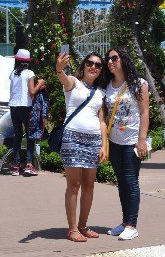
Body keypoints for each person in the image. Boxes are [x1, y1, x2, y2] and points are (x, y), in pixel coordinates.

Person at [56, 51, 107, 243]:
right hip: (73, 138)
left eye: (98, 65)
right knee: (74, 184)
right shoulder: (74, 83)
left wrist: (104, 144)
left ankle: (83, 225)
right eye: (90, 63)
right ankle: (72, 229)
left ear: (101, 70)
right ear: (84, 65)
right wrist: (59, 69)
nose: (93, 67)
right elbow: (63, 79)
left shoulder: (100, 93)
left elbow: (102, 121)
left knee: (89, 185)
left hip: (93, 140)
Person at [104, 46, 150, 241]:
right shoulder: (108, 85)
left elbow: (145, 112)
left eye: (114, 58)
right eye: (109, 59)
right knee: (121, 182)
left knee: (131, 181)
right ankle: (124, 222)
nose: (111, 62)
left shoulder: (139, 84)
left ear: (123, 59)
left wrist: (142, 140)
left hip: (132, 141)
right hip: (114, 141)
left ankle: (132, 224)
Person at [9, 49, 45, 176]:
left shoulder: (13, 73)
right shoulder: (29, 73)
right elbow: (32, 92)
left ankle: (15, 165)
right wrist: (40, 83)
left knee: (18, 136)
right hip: (26, 107)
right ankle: (29, 164)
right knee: (30, 135)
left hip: (13, 107)